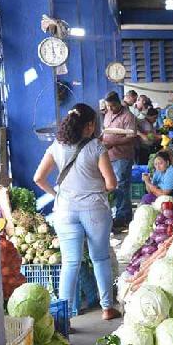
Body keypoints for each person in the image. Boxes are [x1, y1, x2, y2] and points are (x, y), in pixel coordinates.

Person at [33, 104, 121, 321]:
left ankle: (65, 318)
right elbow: (111, 183)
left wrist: (58, 195)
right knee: (100, 258)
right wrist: (94, 187)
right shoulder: (96, 147)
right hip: (95, 211)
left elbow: (38, 179)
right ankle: (107, 308)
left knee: (70, 263)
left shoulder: (56, 146)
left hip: (65, 211)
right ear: (90, 125)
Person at [102, 90, 138, 232]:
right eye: (108, 106)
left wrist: (114, 143)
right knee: (111, 187)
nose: (110, 109)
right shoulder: (108, 114)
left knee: (122, 186)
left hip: (122, 156)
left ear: (118, 103)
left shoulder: (128, 117)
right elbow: (106, 131)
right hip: (108, 156)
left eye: (112, 106)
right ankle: (115, 215)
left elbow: (132, 136)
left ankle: (123, 217)